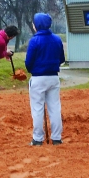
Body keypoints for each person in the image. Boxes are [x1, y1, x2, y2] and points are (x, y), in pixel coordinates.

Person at [24, 13, 64, 146]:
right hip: (53, 77)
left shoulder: (34, 41)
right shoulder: (57, 39)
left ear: (37, 25)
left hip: (38, 77)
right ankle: (57, 138)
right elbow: (62, 59)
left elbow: (28, 62)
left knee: (37, 109)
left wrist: (33, 69)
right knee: (55, 108)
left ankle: (37, 138)